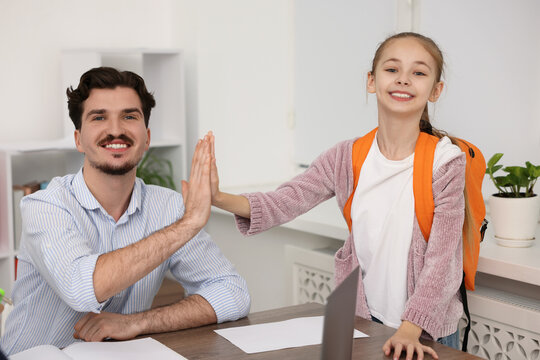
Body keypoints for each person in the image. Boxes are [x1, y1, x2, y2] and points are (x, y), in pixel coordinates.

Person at [196, 32, 468, 359]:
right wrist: (218, 197)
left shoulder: (446, 162)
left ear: (436, 90)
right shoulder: (346, 157)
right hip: (364, 320)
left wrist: (412, 327)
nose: (404, 80)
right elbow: (285, 201)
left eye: (419, 72)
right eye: (392, 69)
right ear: (371, 80)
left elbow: (443, 259)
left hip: (424, 331)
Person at [0, 67, 250, 356]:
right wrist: (189, 223)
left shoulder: (168, 208)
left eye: (129, 116)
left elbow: (234, 293)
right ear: (79, 139)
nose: (116, 129)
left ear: (146, 138)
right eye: (99, 117)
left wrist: (137, 322)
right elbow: (82, 289)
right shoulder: (45, 206)